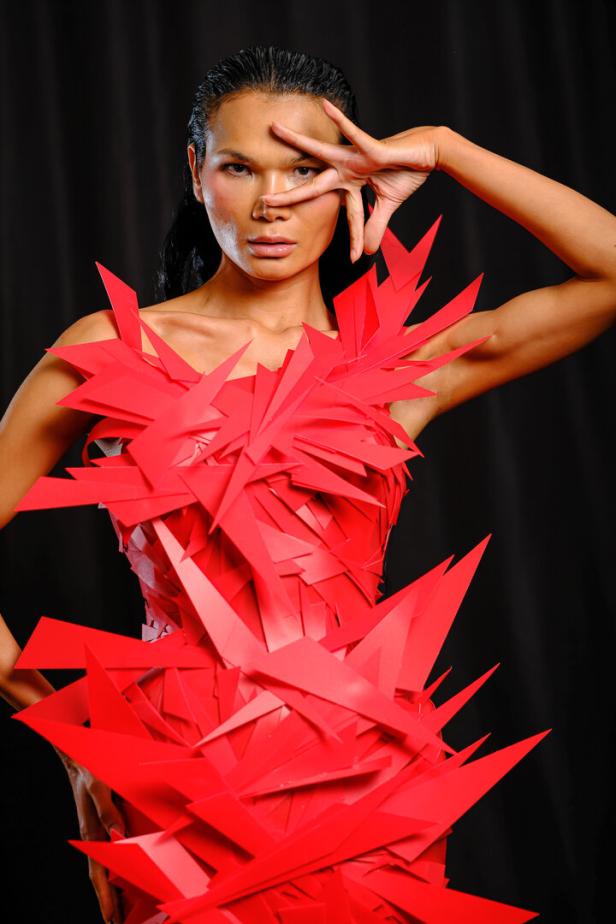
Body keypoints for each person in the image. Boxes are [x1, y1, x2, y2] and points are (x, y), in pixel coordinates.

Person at [1, 43, 614, 924]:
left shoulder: (404, 366)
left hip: (364, 780)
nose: (273, 201)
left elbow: (611, 271)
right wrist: (73, 737)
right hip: (173, 780)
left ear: (353, 177)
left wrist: (443, 148)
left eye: (308, 168)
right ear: (195, 172)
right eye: (241, 167)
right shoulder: (111, 348)